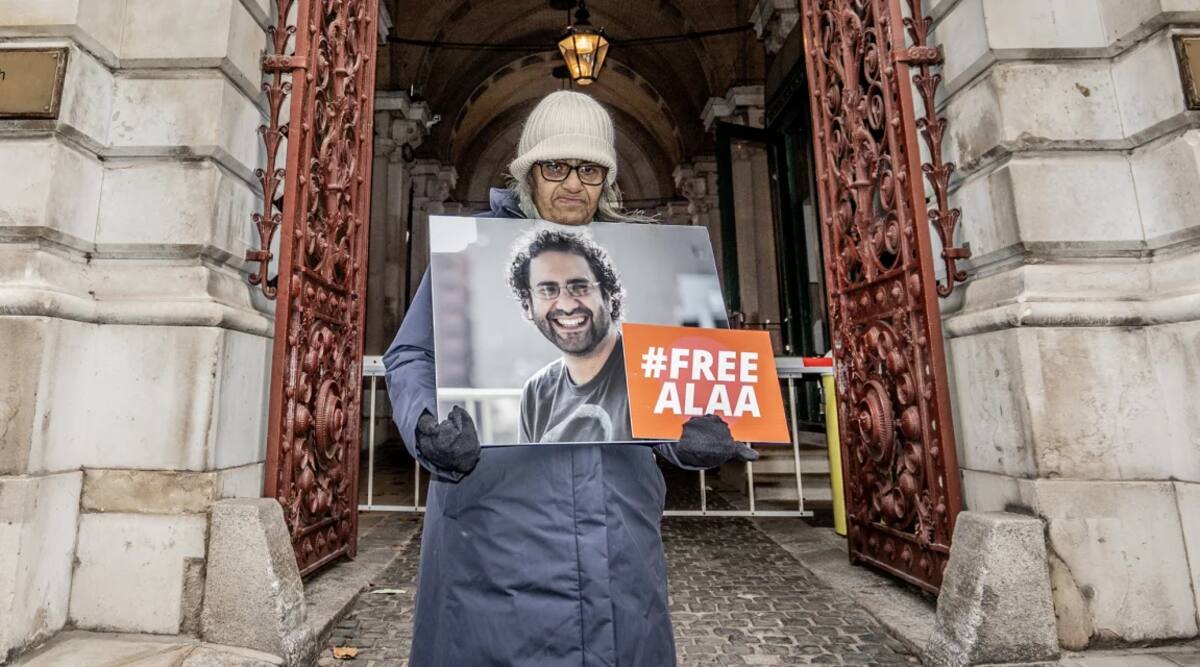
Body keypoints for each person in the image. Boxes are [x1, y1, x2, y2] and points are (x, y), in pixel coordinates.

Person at [383, 90, 758, 667]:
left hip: (617, 529)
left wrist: (693, 439)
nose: (572, 184)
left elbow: (669, 389)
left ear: (606, 177)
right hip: (496, 525)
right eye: (555, 167)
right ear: (528, 171)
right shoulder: (470, 250)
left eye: (589, 168)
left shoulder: (644, 257)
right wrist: (426, 424)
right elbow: (412, 354)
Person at [506, 228, 631, 443]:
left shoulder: (655, 372)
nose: (566, 305)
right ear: (528, 306)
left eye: (580, 287)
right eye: (547, 290)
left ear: (608, 296)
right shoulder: (536, 393)